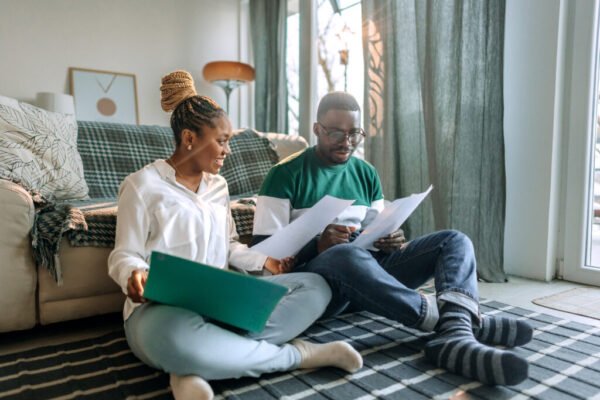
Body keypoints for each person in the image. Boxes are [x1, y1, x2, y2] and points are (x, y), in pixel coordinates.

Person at [108, 74, 363, 400]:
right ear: (189, 138)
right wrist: (133, 274)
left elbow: (228, 245)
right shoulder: (142, 185)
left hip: (222, 302)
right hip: (162, 309)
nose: (227, 151)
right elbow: (123, 253)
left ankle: (192, 365)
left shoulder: (218, 187)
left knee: (315, 287)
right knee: (170, 337)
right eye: (222, 141)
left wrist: (265, 261)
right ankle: (298, 356)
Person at [252, 92, 533, 386]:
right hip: (324, 286)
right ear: (317, 129)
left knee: (454, 240)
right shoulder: (284, 175)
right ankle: (454, 321)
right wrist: (317, 246)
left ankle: (456, 334)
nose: (346, 142)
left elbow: (377, 229)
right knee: (344, 255)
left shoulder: (365, 172)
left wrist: (393, 238)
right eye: (336, 132)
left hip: (371, 277)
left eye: (354, 133)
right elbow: (263, 260)